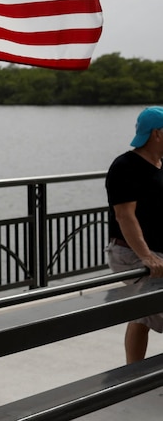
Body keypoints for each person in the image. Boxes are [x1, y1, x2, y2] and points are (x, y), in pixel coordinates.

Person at [106, 106, 163, 364]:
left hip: (156, 253)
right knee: (149, 308)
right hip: (130, 253)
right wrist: (146, 255)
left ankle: (132, 375)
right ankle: (134, 376)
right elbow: (125, 216)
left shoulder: (162, 164)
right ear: (157, 134)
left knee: (141, 316)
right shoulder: (125, 167)